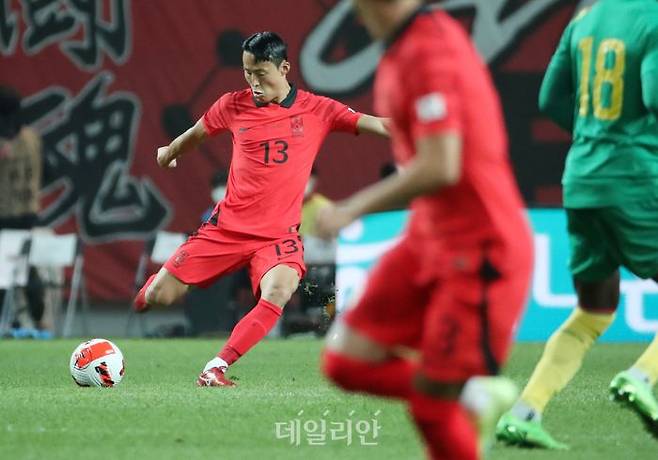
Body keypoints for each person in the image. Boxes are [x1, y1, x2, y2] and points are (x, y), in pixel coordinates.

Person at [315, 2, 533, 459]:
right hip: (428, 238)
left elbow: (441, 165)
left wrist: (351, 209)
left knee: (432, 409)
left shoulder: (431, 49)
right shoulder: (402, 46)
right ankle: (473, 396)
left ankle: (463, 398)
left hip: (480, 247)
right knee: (344, 363)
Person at [133, 31, 388, 386]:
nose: (253, 82)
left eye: (261, 73)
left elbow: (376, 123)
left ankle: (216, 367)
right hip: (227, 229)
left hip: (277, 237)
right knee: (161, 296)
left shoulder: (318, 110)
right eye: (247, 73)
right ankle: (149, 291)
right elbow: (196, 133)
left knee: (279, 291)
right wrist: (168, 152)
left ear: (284, 68)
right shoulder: (232, 105)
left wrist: (427, 133)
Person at [496, 0, 658, 450]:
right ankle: (642, 376)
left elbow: (550, 98)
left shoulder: (586, 17)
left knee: (593, 311)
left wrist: (594, 134)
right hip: (634, 176)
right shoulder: (653, 17)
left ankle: (525, 413)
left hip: (582, 177)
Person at [0, 85, 47, 335]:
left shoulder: (4, 137)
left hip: (5, 214)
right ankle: (39, 320)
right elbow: (49, 171)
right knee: (26, 269)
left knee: (5, 271)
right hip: (27, 212)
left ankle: (6, 321)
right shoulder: (32, 138)